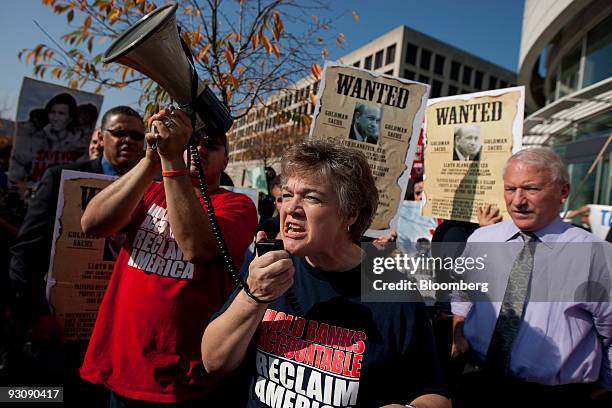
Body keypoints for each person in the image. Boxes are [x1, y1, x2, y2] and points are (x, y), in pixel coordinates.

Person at [202, 140, 450, 408]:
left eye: (311, 198)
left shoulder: (392, 287)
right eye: (287, 195)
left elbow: (434, 395)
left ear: (350, 214)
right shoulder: (268, 268)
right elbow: (213, 361)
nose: (291, 209)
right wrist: (253, 297)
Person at [79, 107, 258, 405]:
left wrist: (173, 159)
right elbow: (93, 224)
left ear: (226, 161)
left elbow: (195, 247)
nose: (199, 148)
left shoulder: (237, 206)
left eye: (211, 145)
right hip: (123, 366)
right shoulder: (149, 191)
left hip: (180, 381)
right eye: (193, 141)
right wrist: (151, 160)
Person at [451, 148, 612, 407]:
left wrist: (604, 386)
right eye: (510, 189)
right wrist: (458, 331)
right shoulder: (482, 238)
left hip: (555, 396)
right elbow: (462, 291)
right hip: (477, 382)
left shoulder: (596, 254)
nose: (518, 201)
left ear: (563, 192)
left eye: (531, 189)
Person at [6, 106, 145, 402]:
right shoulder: (63, 179)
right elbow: (25, 253)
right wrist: (37, 313)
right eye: (119, 133)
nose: (129, 141)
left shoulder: (154, 190)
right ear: (101, 136)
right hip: (59, 330)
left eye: (136, 135)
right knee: (47, 396)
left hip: (118, 336)